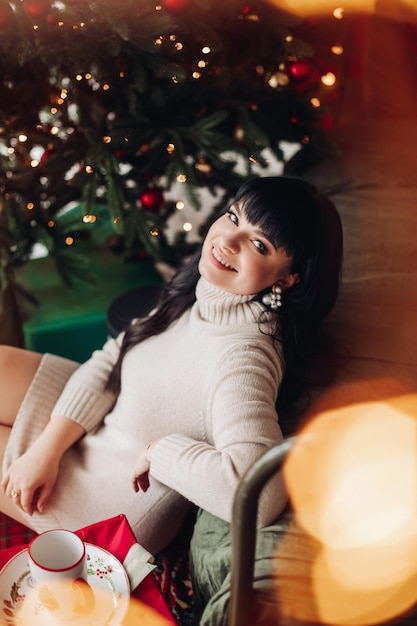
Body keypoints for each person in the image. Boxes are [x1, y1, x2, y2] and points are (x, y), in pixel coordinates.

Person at [0, 175, 343, 556]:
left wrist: (160, 452)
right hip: (99, 424)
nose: (227, 241)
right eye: (233, 217)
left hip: (106, 499)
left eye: (258, 244)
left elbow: (259, 496)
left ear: (288, 278)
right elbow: (112, 356)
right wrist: (45, 449)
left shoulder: (245, 357)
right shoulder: (202, 290)